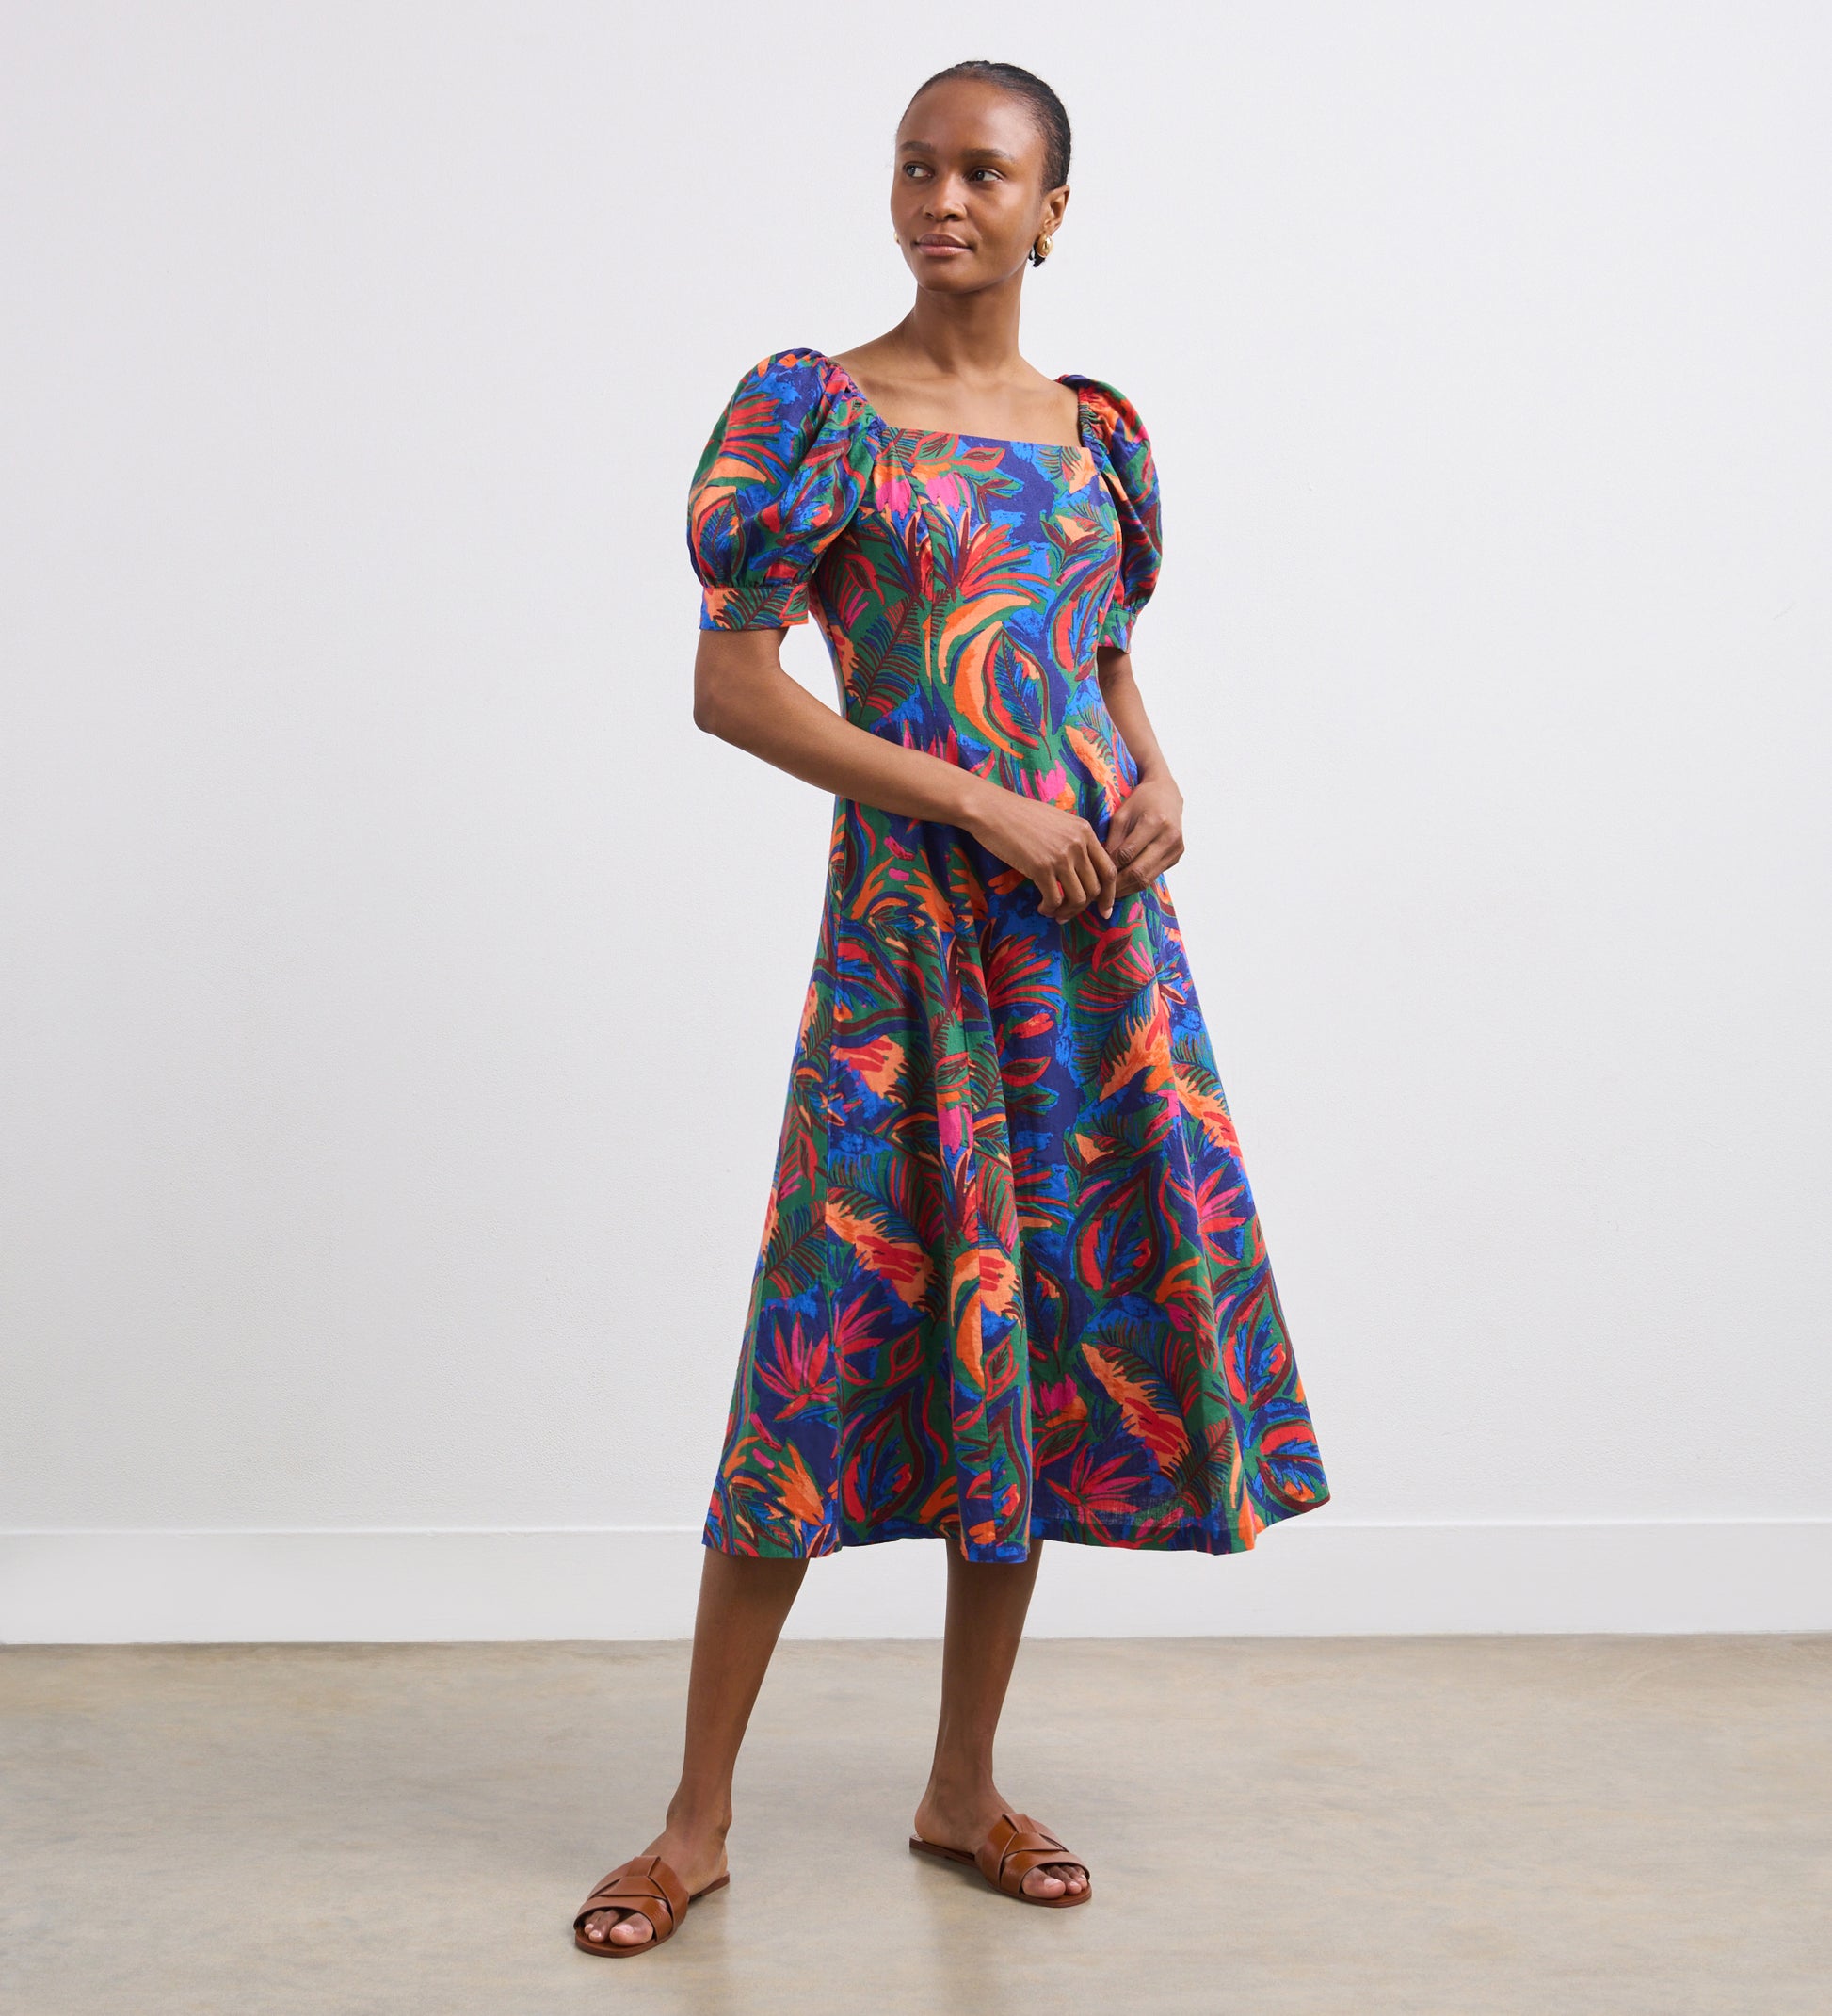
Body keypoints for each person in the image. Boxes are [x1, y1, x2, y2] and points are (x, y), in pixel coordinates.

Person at [571, 57, 1329, 1958]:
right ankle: (692, 1820)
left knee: (1032, 1345)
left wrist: (1153, 781)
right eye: (915, 167)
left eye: (982, 173)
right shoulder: (816, 416)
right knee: (821, 1340)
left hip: (1087, 952)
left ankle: (959, 1785)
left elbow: (1100, 658)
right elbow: (733, 690)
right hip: (912, 943)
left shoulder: (1092, 432)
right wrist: (982, 800)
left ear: (1053, 207)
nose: (942, 200)